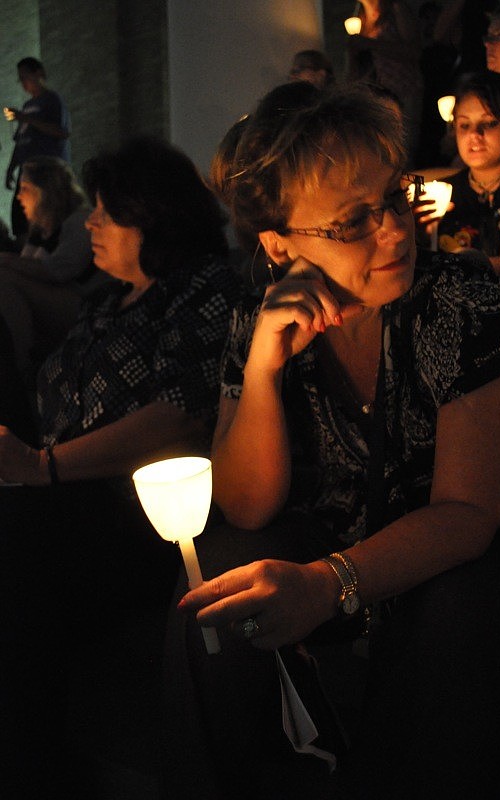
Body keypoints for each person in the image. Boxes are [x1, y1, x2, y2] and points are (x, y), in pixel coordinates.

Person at [179, 84, 500, 798]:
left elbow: (469, 516)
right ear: (278, 242)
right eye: (352, 222)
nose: (395, 232)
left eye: (394, 198)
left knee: (459, 608)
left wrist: (325, 584)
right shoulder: (260, 319)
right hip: (333, 546)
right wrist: (263, 369)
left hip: (455, 567)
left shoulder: (461, 302)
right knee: (216, 579)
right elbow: (246, 505)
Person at [0, 135, 241, 799]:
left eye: (106, 212)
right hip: (60, 489)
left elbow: (179, 415)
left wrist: (42, 467)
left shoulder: (201, 291)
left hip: (133, 516)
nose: (90, 224)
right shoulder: (111, 298)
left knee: (13, 547)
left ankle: (34, 767)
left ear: (154, 217)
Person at [417, 70, 500, 275]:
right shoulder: (440, 194)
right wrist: (423, 238)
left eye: (489, 123)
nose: (473, 134)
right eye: (464, 125)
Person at [0, 155, 99, 383]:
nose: (19, 196)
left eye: (25, 188)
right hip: (54, 301)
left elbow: (58, 271)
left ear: (46, 190)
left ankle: (21, 363)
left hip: (82, 305)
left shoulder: (78, 222)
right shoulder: (40, 230)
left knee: (3, 279)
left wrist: (5, 259)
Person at [346, 0, 423, 164]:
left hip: (403, 92)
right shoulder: (359, 18)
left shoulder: (396, 9)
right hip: (376, 98)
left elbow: (414, 51)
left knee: (404, 152)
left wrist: (369, 44)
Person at [3, 57, 70, 241]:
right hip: (26, 171)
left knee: (44, 219)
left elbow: (61, 132)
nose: (23, 83)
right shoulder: (27, 106)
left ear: (39, 73)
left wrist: (26, 119)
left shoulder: (52, 100)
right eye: (21, 79)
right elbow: (21, 140)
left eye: (26, 77)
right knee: (20, 219)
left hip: (45, 171)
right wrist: (11, 168)